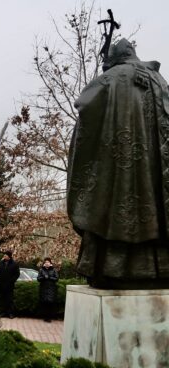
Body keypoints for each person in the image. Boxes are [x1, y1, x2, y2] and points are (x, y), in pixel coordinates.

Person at [67, 39, 169, 289]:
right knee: (154, 208)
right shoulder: (159, 80)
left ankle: (110, 269)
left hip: (114, 167)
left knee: (110, 209)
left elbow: (85, 109)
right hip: (155, 172)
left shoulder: (109, 79)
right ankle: (159, 270)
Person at [0, 250, 19, 318]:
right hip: (1, 285)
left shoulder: (14, 264)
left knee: (10, 300)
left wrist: (12, 281)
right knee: (2, 300)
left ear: (9, 256)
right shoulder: (0, 263)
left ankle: (10, 313)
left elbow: (17, 274)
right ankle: (2, 313)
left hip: (10, 285)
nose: (4, 256)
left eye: (5, 255)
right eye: (4, 255)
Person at [38, 257, 59, 322]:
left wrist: (49, 277)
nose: (47, 263)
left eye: (48, 262)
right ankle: (45, 317)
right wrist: (44, 277)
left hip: (51, 288)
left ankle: (50, 317)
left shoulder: (54, 270)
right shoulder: (41, 270)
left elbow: (56, 278)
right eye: (46, 262)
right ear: (44, 263)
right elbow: (38, 278)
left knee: (50, 303)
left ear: (50, 263)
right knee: (44, 303)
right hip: (43, 288)